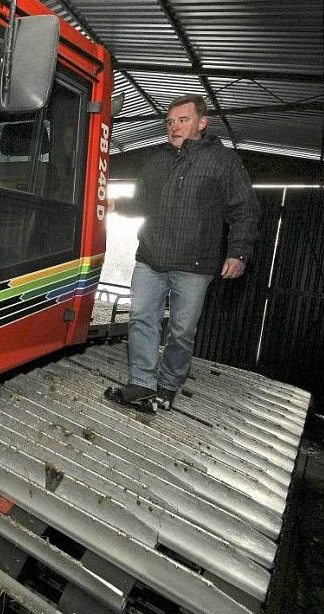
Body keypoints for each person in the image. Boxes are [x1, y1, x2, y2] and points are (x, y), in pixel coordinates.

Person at [106, 94, 260, 411]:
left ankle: (168, 385)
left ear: (202, 123)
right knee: (142, 320)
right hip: (151, 258)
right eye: (170, 122)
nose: (174, 127)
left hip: (194, 265)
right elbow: (142, 204)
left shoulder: (222, 161)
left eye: (183, 120)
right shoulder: (157, 160)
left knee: (181, 332)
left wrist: (238, 253)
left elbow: (245, 209)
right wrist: (115, 204)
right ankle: (141, 385)